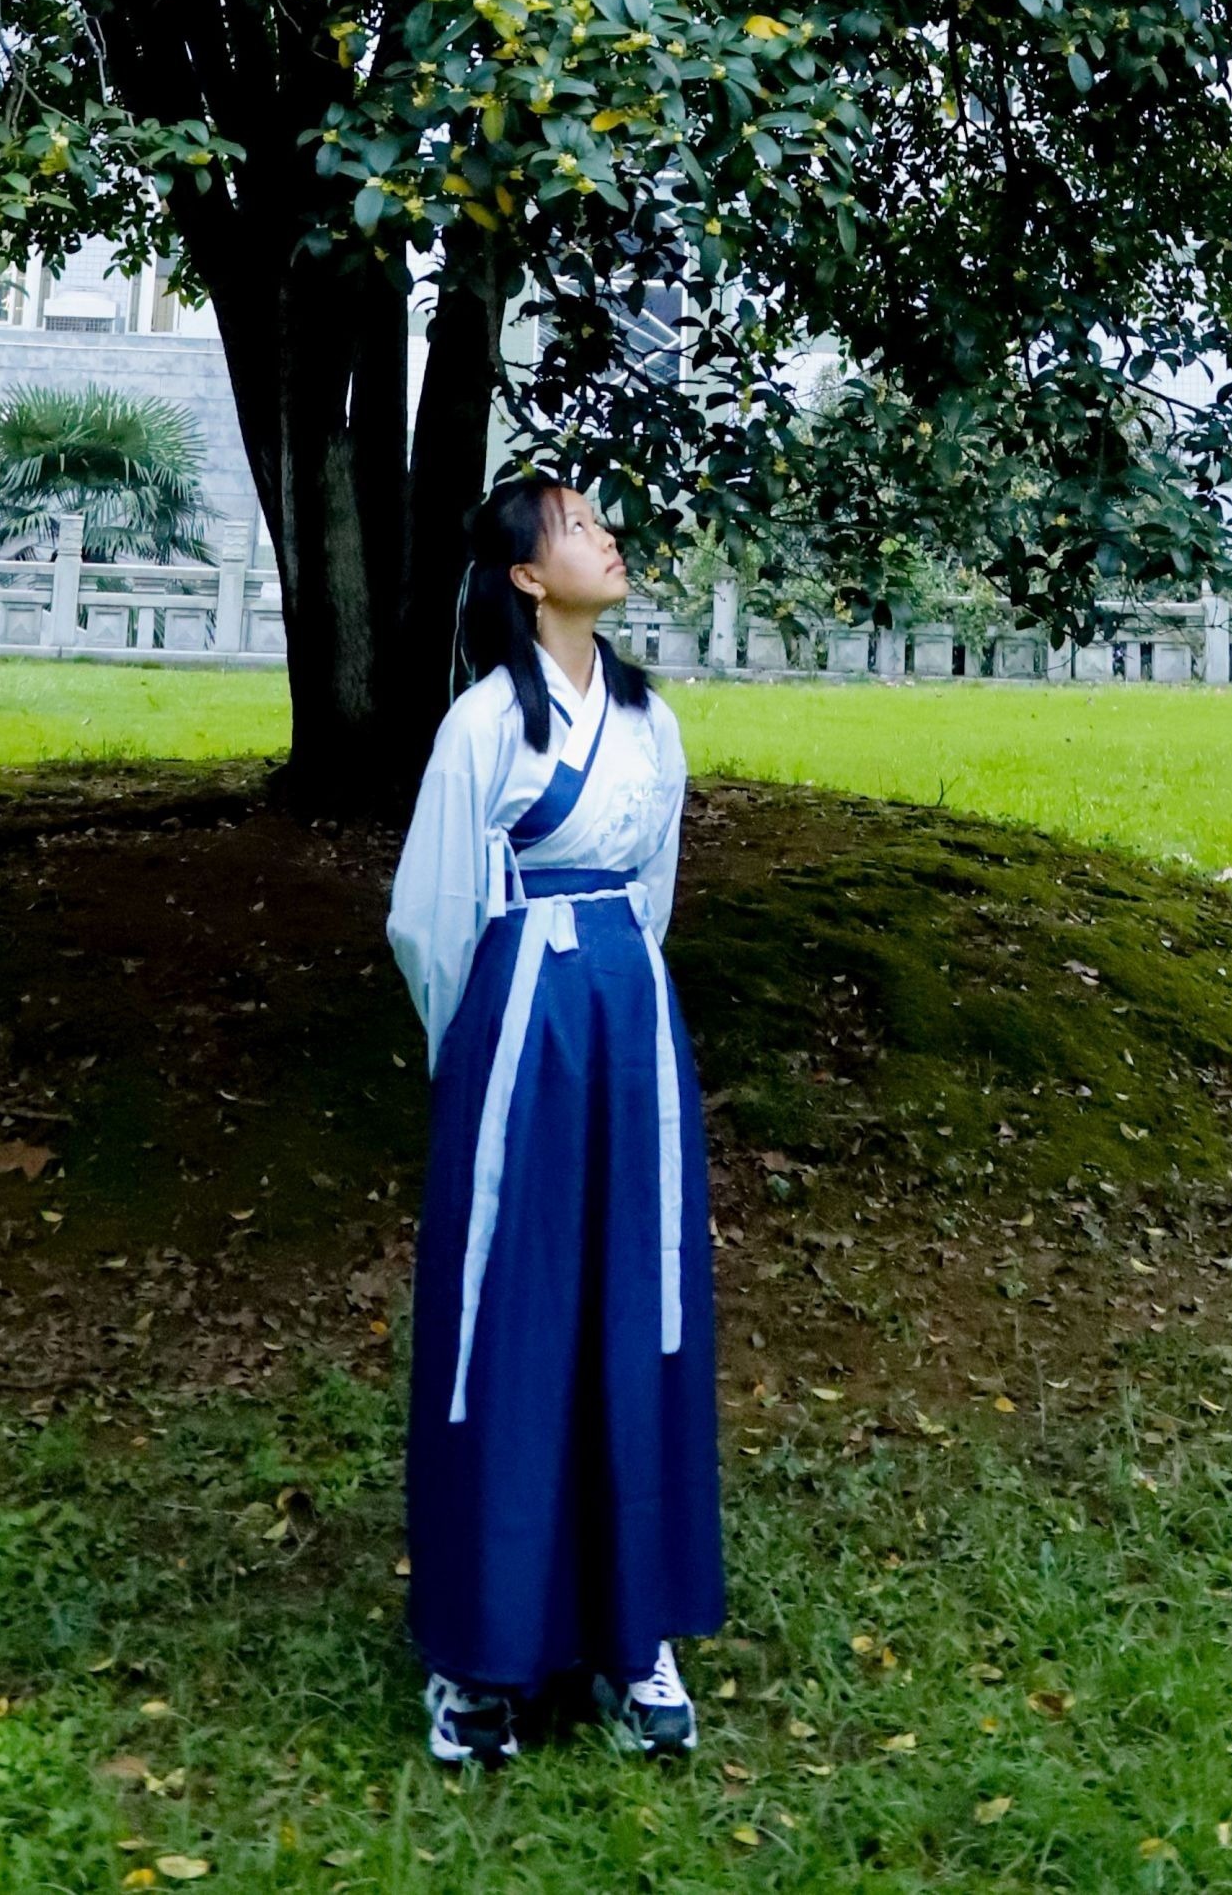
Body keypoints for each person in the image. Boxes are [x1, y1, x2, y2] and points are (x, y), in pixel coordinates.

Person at [386, 473, 724, 1768]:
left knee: (641, 1309)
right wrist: (474, 1059)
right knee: (510, 1318)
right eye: (581, 527)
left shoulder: (649, 724)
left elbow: (657, 889)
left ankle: (635, 1639)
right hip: (519, 1030)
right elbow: (431, 916)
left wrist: (616, 998)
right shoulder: (482, 724)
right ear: (528, 574)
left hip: (632, 1027)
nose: (607, 538)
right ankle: (481, 1654)